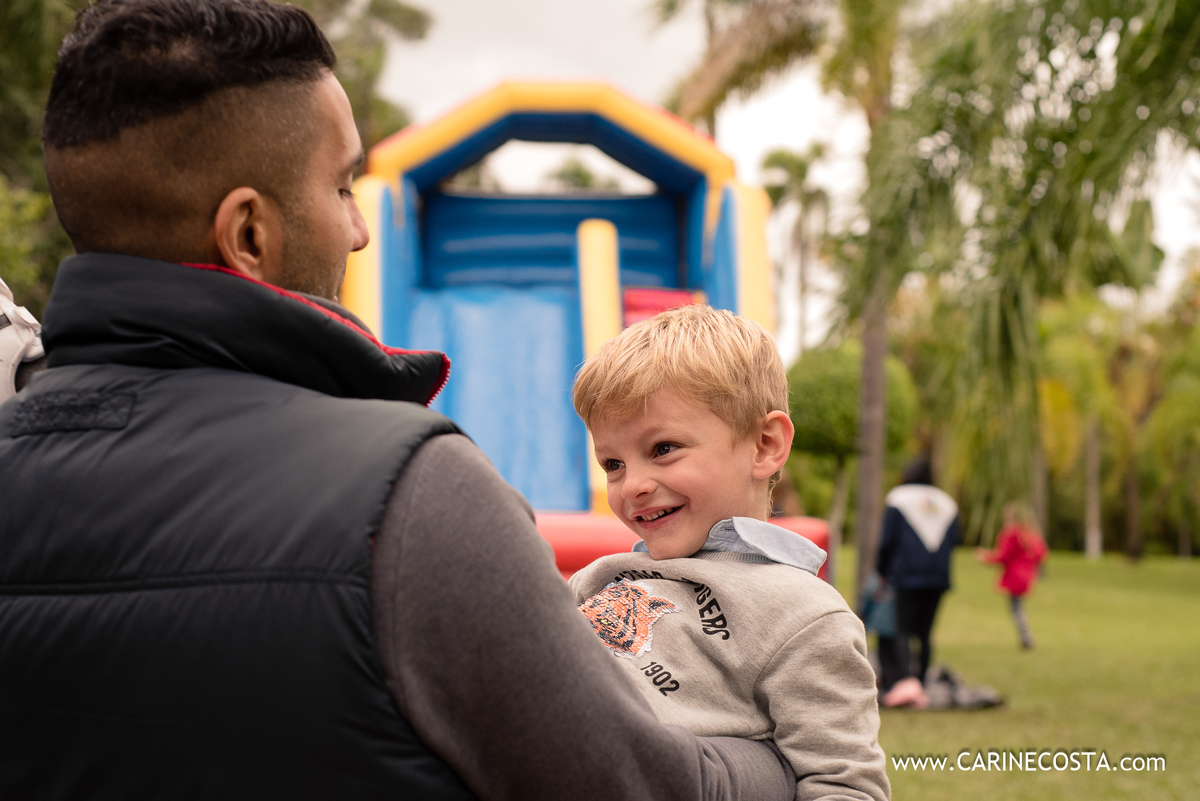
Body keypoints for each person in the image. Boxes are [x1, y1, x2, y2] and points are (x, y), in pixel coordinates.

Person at [0, 2, 798, 799]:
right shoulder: (411, 495)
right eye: (342, 186)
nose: (358, 231)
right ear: (248, 233)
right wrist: (779, 760)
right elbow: (641, 785)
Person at [568, 305, 890, 801]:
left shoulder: (802, 612)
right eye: (612, 463)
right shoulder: (603, 577)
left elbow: (844, 782)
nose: (632, 485)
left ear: (764, 446)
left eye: (663, 449)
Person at [874, 458, 959, 709]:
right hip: (937, 577)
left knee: (900, 629)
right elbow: (956, 538)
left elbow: (887, 539)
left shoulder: (899, 498)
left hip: (905, 576)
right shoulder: (947, 502)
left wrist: (881, 570)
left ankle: (903, 684)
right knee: (924, 633)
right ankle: (921, 683)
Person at [977, 502, 1048, 649]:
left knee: (1016, 608)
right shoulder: (1030, 533)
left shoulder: (1011, 533)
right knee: (1017, 606)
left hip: (1015, 576)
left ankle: (1026, 636)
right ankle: (1026, 636)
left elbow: (1002, 556)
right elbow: (1041, 554)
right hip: (1027, 576)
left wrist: (984, 557)